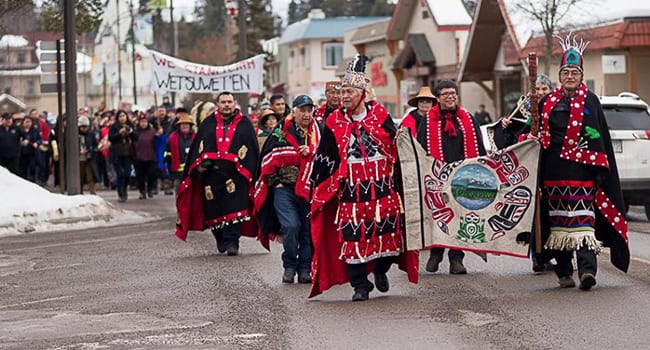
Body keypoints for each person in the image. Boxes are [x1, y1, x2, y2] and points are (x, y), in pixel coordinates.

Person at [309, 55, 418, 301]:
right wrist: (317, 189)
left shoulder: (379, 115)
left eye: (349, 91)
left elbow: (397, 146)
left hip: (383, 191)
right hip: (351, 193)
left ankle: (381, 270)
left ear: (362, 92)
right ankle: (360, 286)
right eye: (342, 91)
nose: (344, 96)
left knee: (390, 240)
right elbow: (325, 157)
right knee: (351, 238)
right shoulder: (334, 121)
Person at [526, 34, 629, 290]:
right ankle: (563, 272)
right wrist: (530, 136)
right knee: (558, 223)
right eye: (565, 72)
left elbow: (599, 138)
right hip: (552, 172)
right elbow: (535, 135)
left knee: (584, 221)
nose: (570, 76)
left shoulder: (591, 102)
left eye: (574, 72)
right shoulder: (546, 102)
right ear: (559, 76)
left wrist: (598, 173)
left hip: (582, 173)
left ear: (581, 75)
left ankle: (586, 271)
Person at [175, 92, 265, 256]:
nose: (227, 105)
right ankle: (220, 237)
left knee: (236, 208)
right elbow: (198, 148)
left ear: (234, 103)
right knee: (213, 209)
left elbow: (251, 149)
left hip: (236, 175)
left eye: (229, 102)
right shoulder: (207, 124)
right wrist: (199, 166)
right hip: (212, 175)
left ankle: (233, 241)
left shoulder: (244, 124)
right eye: (223, 102)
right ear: (217, 104)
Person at [416, 80, 487, 275]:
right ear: (437, 99)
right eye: (445, 94)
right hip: (438, 176)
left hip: (463, 177)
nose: (450, 96)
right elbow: (421, 149)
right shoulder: (428, 120)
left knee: (460, 217)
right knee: (440, 215)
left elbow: (480, 149)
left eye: (453, 93)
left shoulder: (468, 119)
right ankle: (436, 252)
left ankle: (456, 259)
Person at [255, 95, 321, 284]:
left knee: (308, 231)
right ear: (294, 111)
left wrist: (312, 154)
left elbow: (327, 158)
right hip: (284, 190)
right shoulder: (280, 132)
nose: (307, 114)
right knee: (291, 227)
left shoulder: (319, 132)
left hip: (310, 190)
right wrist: (276, 182)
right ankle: (290, 265)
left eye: (310, 110)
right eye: (303, 110)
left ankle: (305, 268)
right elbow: (267, 158)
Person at [165, 111, 196, 194]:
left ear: (190, 126)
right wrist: (168, 160)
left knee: (192, 192)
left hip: (192, 170)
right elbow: (168, 151)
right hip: (178, 171)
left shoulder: (195, 137)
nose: (185, 126)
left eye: (187, 124)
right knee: (179, 191)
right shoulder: (173, 137)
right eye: (183, 124)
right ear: (179, 126)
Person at [109, 110, 136, 202]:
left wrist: (131, 132)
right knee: (120, 174)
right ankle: (120, 192)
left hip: (128, 154)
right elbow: (111, 138)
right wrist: (119, 133)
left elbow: (136, 137)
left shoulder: (130, 125)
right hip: (117, 154)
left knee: (128, 174)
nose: (122, 118)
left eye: (123, 116)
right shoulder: (114, 127)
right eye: (120, 116)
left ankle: (124, 188)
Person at [133, 113, 159, 199]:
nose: (143, 123)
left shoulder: (153, 132)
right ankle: (142, 191)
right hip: (139, 157)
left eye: (145, 121)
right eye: (142, 122)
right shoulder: (135, 132)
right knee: (140, 176)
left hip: (151, 157)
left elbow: (158, 143)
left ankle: (150, 189)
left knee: (152, 174)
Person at [78, 116, 99, 194]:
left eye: (85, 127)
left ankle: (93, 193)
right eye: (82, 127)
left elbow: (95, 146)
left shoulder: (91, 134)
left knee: (90, 177)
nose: (84, 129)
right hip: (78, 159)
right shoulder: (75, 135)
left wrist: (90, 151)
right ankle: (79, 193)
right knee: (79, 177)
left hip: (89, 158)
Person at [19, 114, 42, 182]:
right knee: (23, 169)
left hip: (33, 153)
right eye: (26, 122)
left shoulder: (35, 130)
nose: (28, 123)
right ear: (23, 122)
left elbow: (40, 139)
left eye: (29, 122)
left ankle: (33, 180)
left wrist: (37, 143)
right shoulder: (20, 130)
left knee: (32, 168)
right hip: (22, 153)